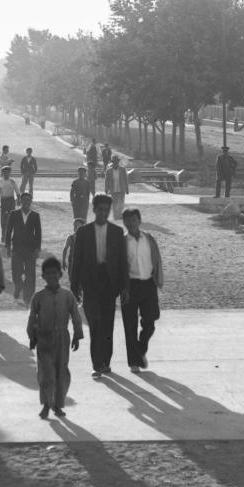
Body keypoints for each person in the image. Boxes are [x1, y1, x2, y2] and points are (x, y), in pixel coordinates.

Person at [68, 194, 128, 378]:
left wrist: (124, 287)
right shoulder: (84, 232)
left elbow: (122, 263)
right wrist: (74, 287)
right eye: (99, 210)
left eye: (106, 210)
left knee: (107, 325)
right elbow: (76, 261)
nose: (102, 213)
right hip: (90, 283)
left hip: (109, 283)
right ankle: (96, 363)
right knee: (95, 324)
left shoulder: (117, 232)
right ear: (93, 210)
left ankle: (106, 362)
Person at [27, 257, 84, 419]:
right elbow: (32, 316)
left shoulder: (67, 296)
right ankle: (46, 404)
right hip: (43, 339)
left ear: (60, 274)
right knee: (46, 374)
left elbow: (75, 315)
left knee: (61, 372)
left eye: (54, 273)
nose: (51, 276)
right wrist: (32, 335)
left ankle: (58, 405)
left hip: (62, 340)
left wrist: (77, 335)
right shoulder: (38, 297)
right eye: (47, 274)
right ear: (43, 276)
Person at [120, 208, 163, 374]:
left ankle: (139, 349)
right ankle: (134, 362)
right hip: (129, 287)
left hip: (148, 285)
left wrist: (158, 279)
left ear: (139, 220)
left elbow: (156, 259)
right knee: (130, 325)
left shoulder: (149, 239)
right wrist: (122, 288)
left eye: (134, 220)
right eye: (127, 220)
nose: (131, 223)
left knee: (150, 322)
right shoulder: (122, 241)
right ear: (124, 222)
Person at [6, 191, 42, 305]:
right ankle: (18, 285)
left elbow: (38, 233)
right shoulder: (14, 214)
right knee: (16, 272)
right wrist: (8, 246)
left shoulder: (35, 216)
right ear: (20, 201)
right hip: (16, 248)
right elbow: (8, 231)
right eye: (24, 199)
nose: (26, 202)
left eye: (28, 200)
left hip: (30, 249)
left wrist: (37, 249)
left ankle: (28, 297)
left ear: (31, 201)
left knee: (30, 274)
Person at [0, 165, 19, 242]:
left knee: (12, 218)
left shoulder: (12, 181)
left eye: (8, 172)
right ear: (2, 173)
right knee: (3, 220)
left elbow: (17, 192)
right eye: (4, 172)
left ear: (9, 173)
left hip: (11, 201)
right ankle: (3, 236)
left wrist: (18, 199)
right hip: (3, 201)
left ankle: (11, 237)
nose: (6, 174)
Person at [104, 155, 129, 219]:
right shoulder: (108, 171)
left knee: (121, 202)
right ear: (112, 162)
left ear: (118, 162)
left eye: (116, 161)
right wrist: (106, 189)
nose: (115, 163)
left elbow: (126, 179)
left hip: (121, 188)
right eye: (114, 161)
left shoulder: (122, 169)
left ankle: (120, 215)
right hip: (113, 189)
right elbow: (106, 181)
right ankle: (115, 215)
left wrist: (127, 189)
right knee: (114, 202)